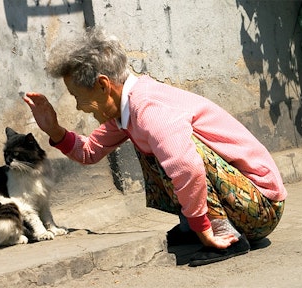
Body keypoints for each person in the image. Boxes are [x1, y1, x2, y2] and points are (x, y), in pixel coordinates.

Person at [22, 27, 286, 266]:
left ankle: (221, 232)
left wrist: (201, 225)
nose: (79, 105)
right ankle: (195, 225)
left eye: (77, 96)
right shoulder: (125, 113)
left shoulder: (148, 107)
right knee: (154, 145)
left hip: (261, 208)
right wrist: (54, 130)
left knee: (177, 153)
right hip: (244, 203)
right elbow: (89, 152)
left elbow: (186, 166)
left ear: (103, 85)